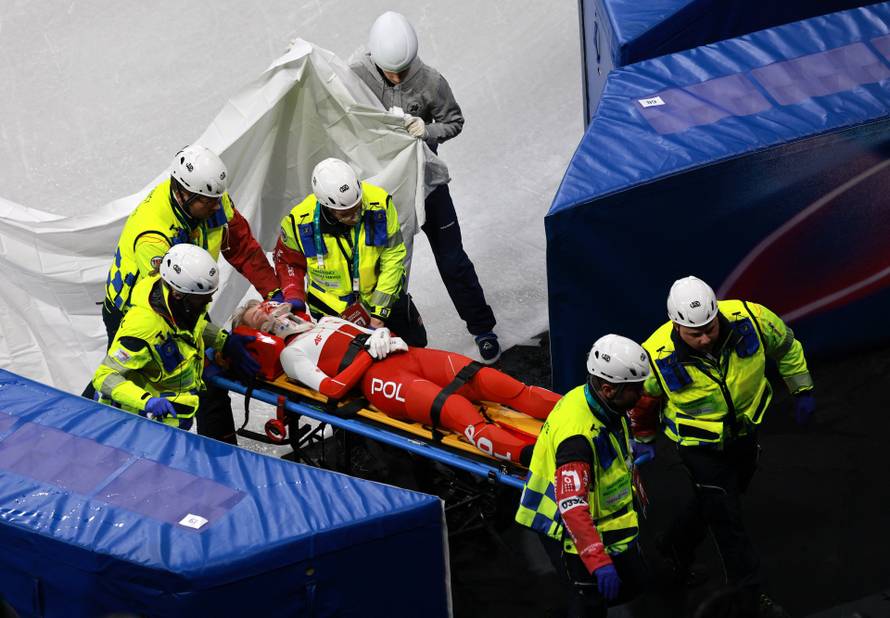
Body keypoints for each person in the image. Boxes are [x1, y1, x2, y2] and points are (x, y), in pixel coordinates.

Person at [630, 276, 814, 618]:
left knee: (718, 501)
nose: (704, 339)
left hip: (744, 434)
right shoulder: (656, 355)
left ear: (717, 314)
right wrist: (643, 438)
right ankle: (749, 596)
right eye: (694, 334)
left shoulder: (752, 319)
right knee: (728, 520)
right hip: (699, 448)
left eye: (710, 329)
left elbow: (787, 347)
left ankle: (674, 545)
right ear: (676, 325)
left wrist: (802, 390)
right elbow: (643, 402)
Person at [90, 145, 280, 442]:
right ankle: (91, 435)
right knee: (138, 384)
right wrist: (215, 343)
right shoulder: (153, 235)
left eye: (218, 198)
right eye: (208, 202)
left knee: (208, 382)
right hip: (143, 311)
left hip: (186, 301)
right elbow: (167, 309)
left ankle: (219, 454)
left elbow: (241, 247)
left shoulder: (211, 198)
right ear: (182, 194)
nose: (217, 207)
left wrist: (275, 292)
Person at [231, 299, 560, 462]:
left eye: (267, 306)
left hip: (407, 354)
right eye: (260, 315)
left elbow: (372, 333)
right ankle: (538, 458)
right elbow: (332, 389)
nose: (270, 311)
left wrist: (382, 334)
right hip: (380, 380)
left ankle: (575, 409)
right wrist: (368, 354)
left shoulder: (326, 319)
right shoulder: (292, 354)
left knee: (495, 382)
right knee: (457, 411)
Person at [349, 11, 500, 363]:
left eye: (403, 71)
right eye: (390, 72)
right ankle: (396, 339)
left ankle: (483, 328)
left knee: (453, 261)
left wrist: (427, 130)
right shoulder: (355, 74)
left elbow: (454, 120)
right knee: (388, 270)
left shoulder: (432, 81)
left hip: (426, 185)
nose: (396, 77)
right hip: (381, 193)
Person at [515, 334, 658, 618]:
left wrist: (627, 447)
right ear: (608, 388)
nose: (642, 393)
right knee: (588, 604)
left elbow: (603, 441)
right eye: (635, 388)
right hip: (567, 531)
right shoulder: (577, 440)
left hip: (598, 521)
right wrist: (597, 560)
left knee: (626, 585)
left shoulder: (592, 399)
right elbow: (571, 506)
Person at [92, 245, 258, 431]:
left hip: (171, 415)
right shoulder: (143, 328)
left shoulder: (184, 304)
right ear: (178, 294)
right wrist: (147, 401)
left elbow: (194, 326)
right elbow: (104, 376)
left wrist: (224, 341)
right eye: (202, 297)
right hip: (135, 423)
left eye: (210, 294)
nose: (209, 300)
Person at [273, 157, 427, 347]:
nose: (355, 217)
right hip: (333, 314)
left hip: (384, 299)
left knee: (416, 345)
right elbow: (287, 262)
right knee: (353, 364)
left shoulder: (379, 203)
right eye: (345, 214)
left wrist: (378, 315)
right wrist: (293, 297)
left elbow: (393, 256)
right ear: (326, 206)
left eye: (358, 208)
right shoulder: (298, 222)